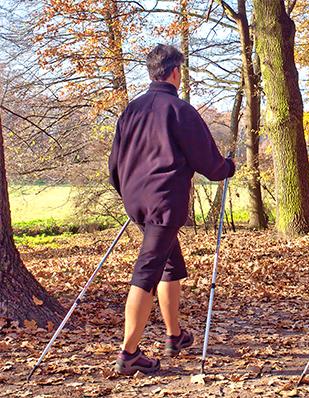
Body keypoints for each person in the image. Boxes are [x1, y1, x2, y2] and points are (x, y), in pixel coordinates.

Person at [108, 44, 235, 375]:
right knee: (147, 271)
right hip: (163, 204)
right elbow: (209, 163)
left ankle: (174, 336)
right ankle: (129, 353)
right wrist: (228, 168)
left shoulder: (131, 111)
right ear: (176, 72)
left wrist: (130, 191)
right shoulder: (179, 110)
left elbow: (114, 166)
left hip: (135, 200)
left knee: (169, 265)